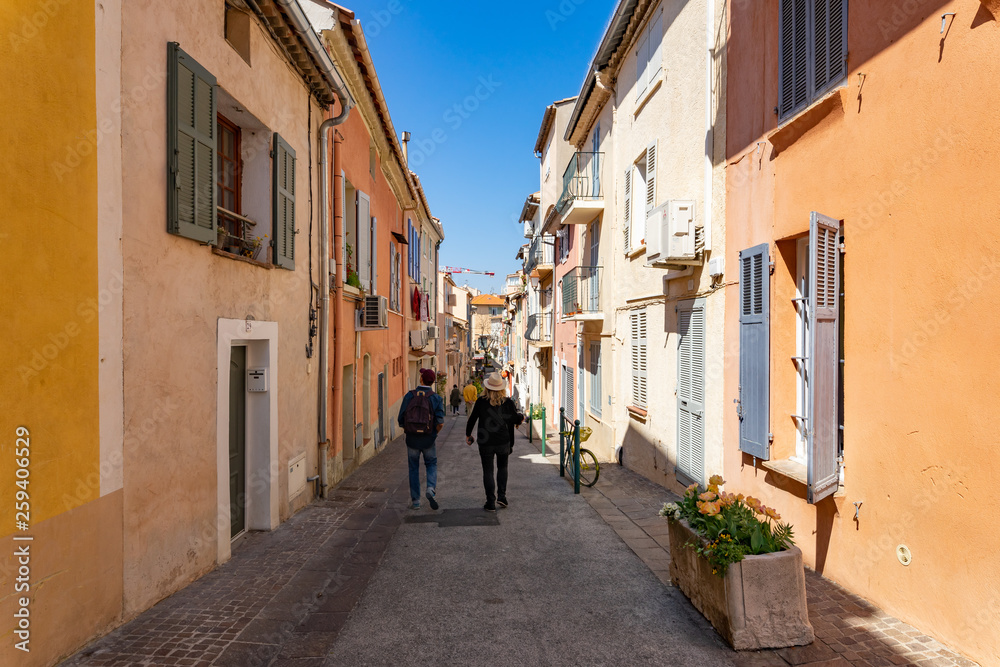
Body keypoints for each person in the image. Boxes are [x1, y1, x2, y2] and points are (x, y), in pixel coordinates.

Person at [466, 373, 523, 512]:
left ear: (487, 387)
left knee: (488, 471)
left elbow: (472, 419)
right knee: (502, 468)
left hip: (485, 442)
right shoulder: (508, 402)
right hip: (503, 441)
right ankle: (502, 497)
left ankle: (490, 502)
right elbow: (515, 418)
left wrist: (468, 435)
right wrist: (521, 417)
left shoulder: (481, 401)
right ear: (501, 388)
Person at [398, 368, 445, 510]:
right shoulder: (436, 398)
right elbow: (440, 422)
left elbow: (401, 419)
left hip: (412, 439)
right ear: (432, 382)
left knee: (413, 468)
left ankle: (416, 501)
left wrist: (409, 429)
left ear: (421, 379)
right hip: (428, 439)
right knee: (431, 464)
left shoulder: (409, 396)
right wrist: (433, 434)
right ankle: (430, 489)